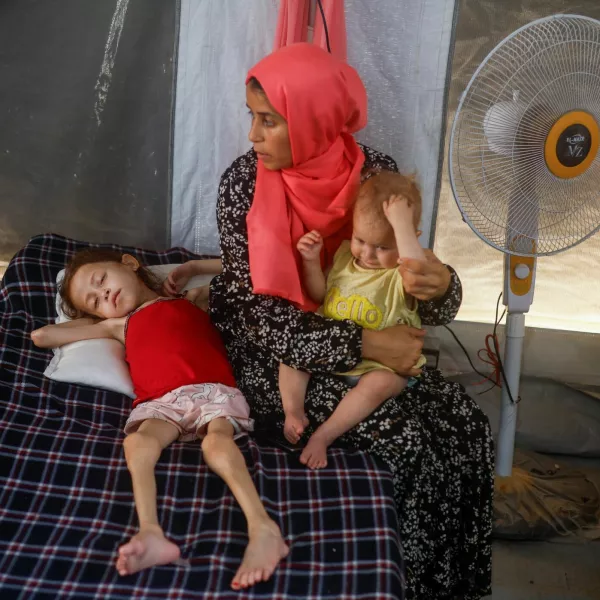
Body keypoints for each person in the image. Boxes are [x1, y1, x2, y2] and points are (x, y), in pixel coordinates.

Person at [168, 43, 493, 600]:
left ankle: (458, 587)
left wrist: (443, 288)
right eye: (253, 117)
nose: (253, 135)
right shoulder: (242, 186)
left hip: (367, 337)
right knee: (405, 437)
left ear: (317, 118)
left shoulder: (376, 173)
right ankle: (409, 587)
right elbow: (260, 319)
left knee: (467, 426)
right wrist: (369, 342)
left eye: (268, 121)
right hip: (278, 357)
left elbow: (409, 281)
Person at [30, 248, 289, 590]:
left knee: (216, 443)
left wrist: (195, 268)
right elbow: (42, 336)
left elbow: (253, 268)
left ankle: (263, 528)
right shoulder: (119, 326)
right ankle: (150, 531)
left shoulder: (191, 298)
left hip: (210, 389)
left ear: (129, 263)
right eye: (95, 300)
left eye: (101, 280)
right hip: (160, 403)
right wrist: (100, 322)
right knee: (137, 441)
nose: (104, 294)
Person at [277, 171, 428, 468]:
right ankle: (293, 411)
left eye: (383, 246)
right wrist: (311, 261)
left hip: (382, 366)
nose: (368, 254)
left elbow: (417, 267)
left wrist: (402, 226)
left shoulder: (402, 272)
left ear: (407, 240)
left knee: (380, 384)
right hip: (333, 357)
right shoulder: (347, 256)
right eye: (360, 239)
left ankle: (324, 436)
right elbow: (321, 294)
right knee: (291, 355)